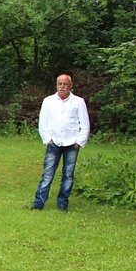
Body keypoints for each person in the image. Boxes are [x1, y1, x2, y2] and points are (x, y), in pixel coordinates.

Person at [28, 74, 90, 211]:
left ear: (70, 85)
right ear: (56, 85)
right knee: (48, 173)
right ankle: (39, 202)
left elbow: (85, 125)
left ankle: (63, 203)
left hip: (72, 143)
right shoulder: (48, 101)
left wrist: (79, 142)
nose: (62, 87)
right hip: (54, 142)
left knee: (68, 174)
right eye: (59, 84)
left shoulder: (78, 102)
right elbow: (43, 123)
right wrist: (48, 139)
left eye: (65, 84)